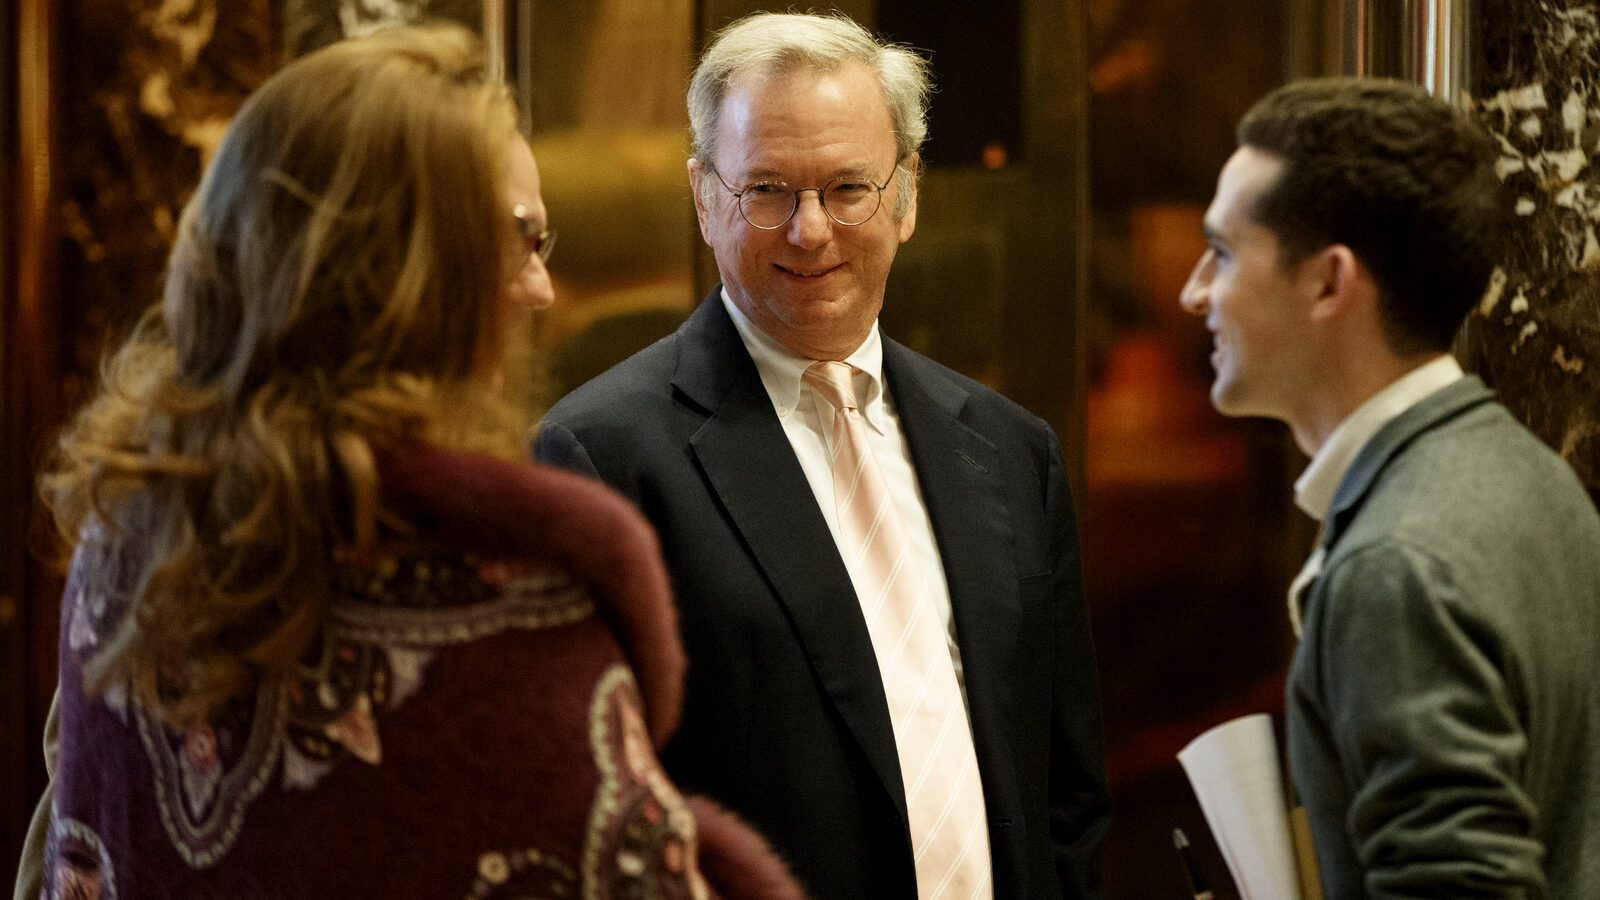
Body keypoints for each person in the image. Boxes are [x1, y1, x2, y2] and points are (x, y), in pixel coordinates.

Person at [15, 24, 802, 900]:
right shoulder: (508, 619)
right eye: (520, 235)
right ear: (402, 266)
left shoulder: (121, 559)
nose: (542, 286)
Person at [535, 11, 1109, 900]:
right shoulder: (600, 461)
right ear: (703, 197)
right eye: (767, 189)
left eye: (848, 188)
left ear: (906, 195)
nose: (810, 231)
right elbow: (584, 819)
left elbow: (1064, 792)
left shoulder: (1010, 449)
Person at [1180, 77, 1600, 898]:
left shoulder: (1396, 563)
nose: (1196, 291)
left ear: (1329, 282)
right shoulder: (1532, 475)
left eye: (1224, 252)